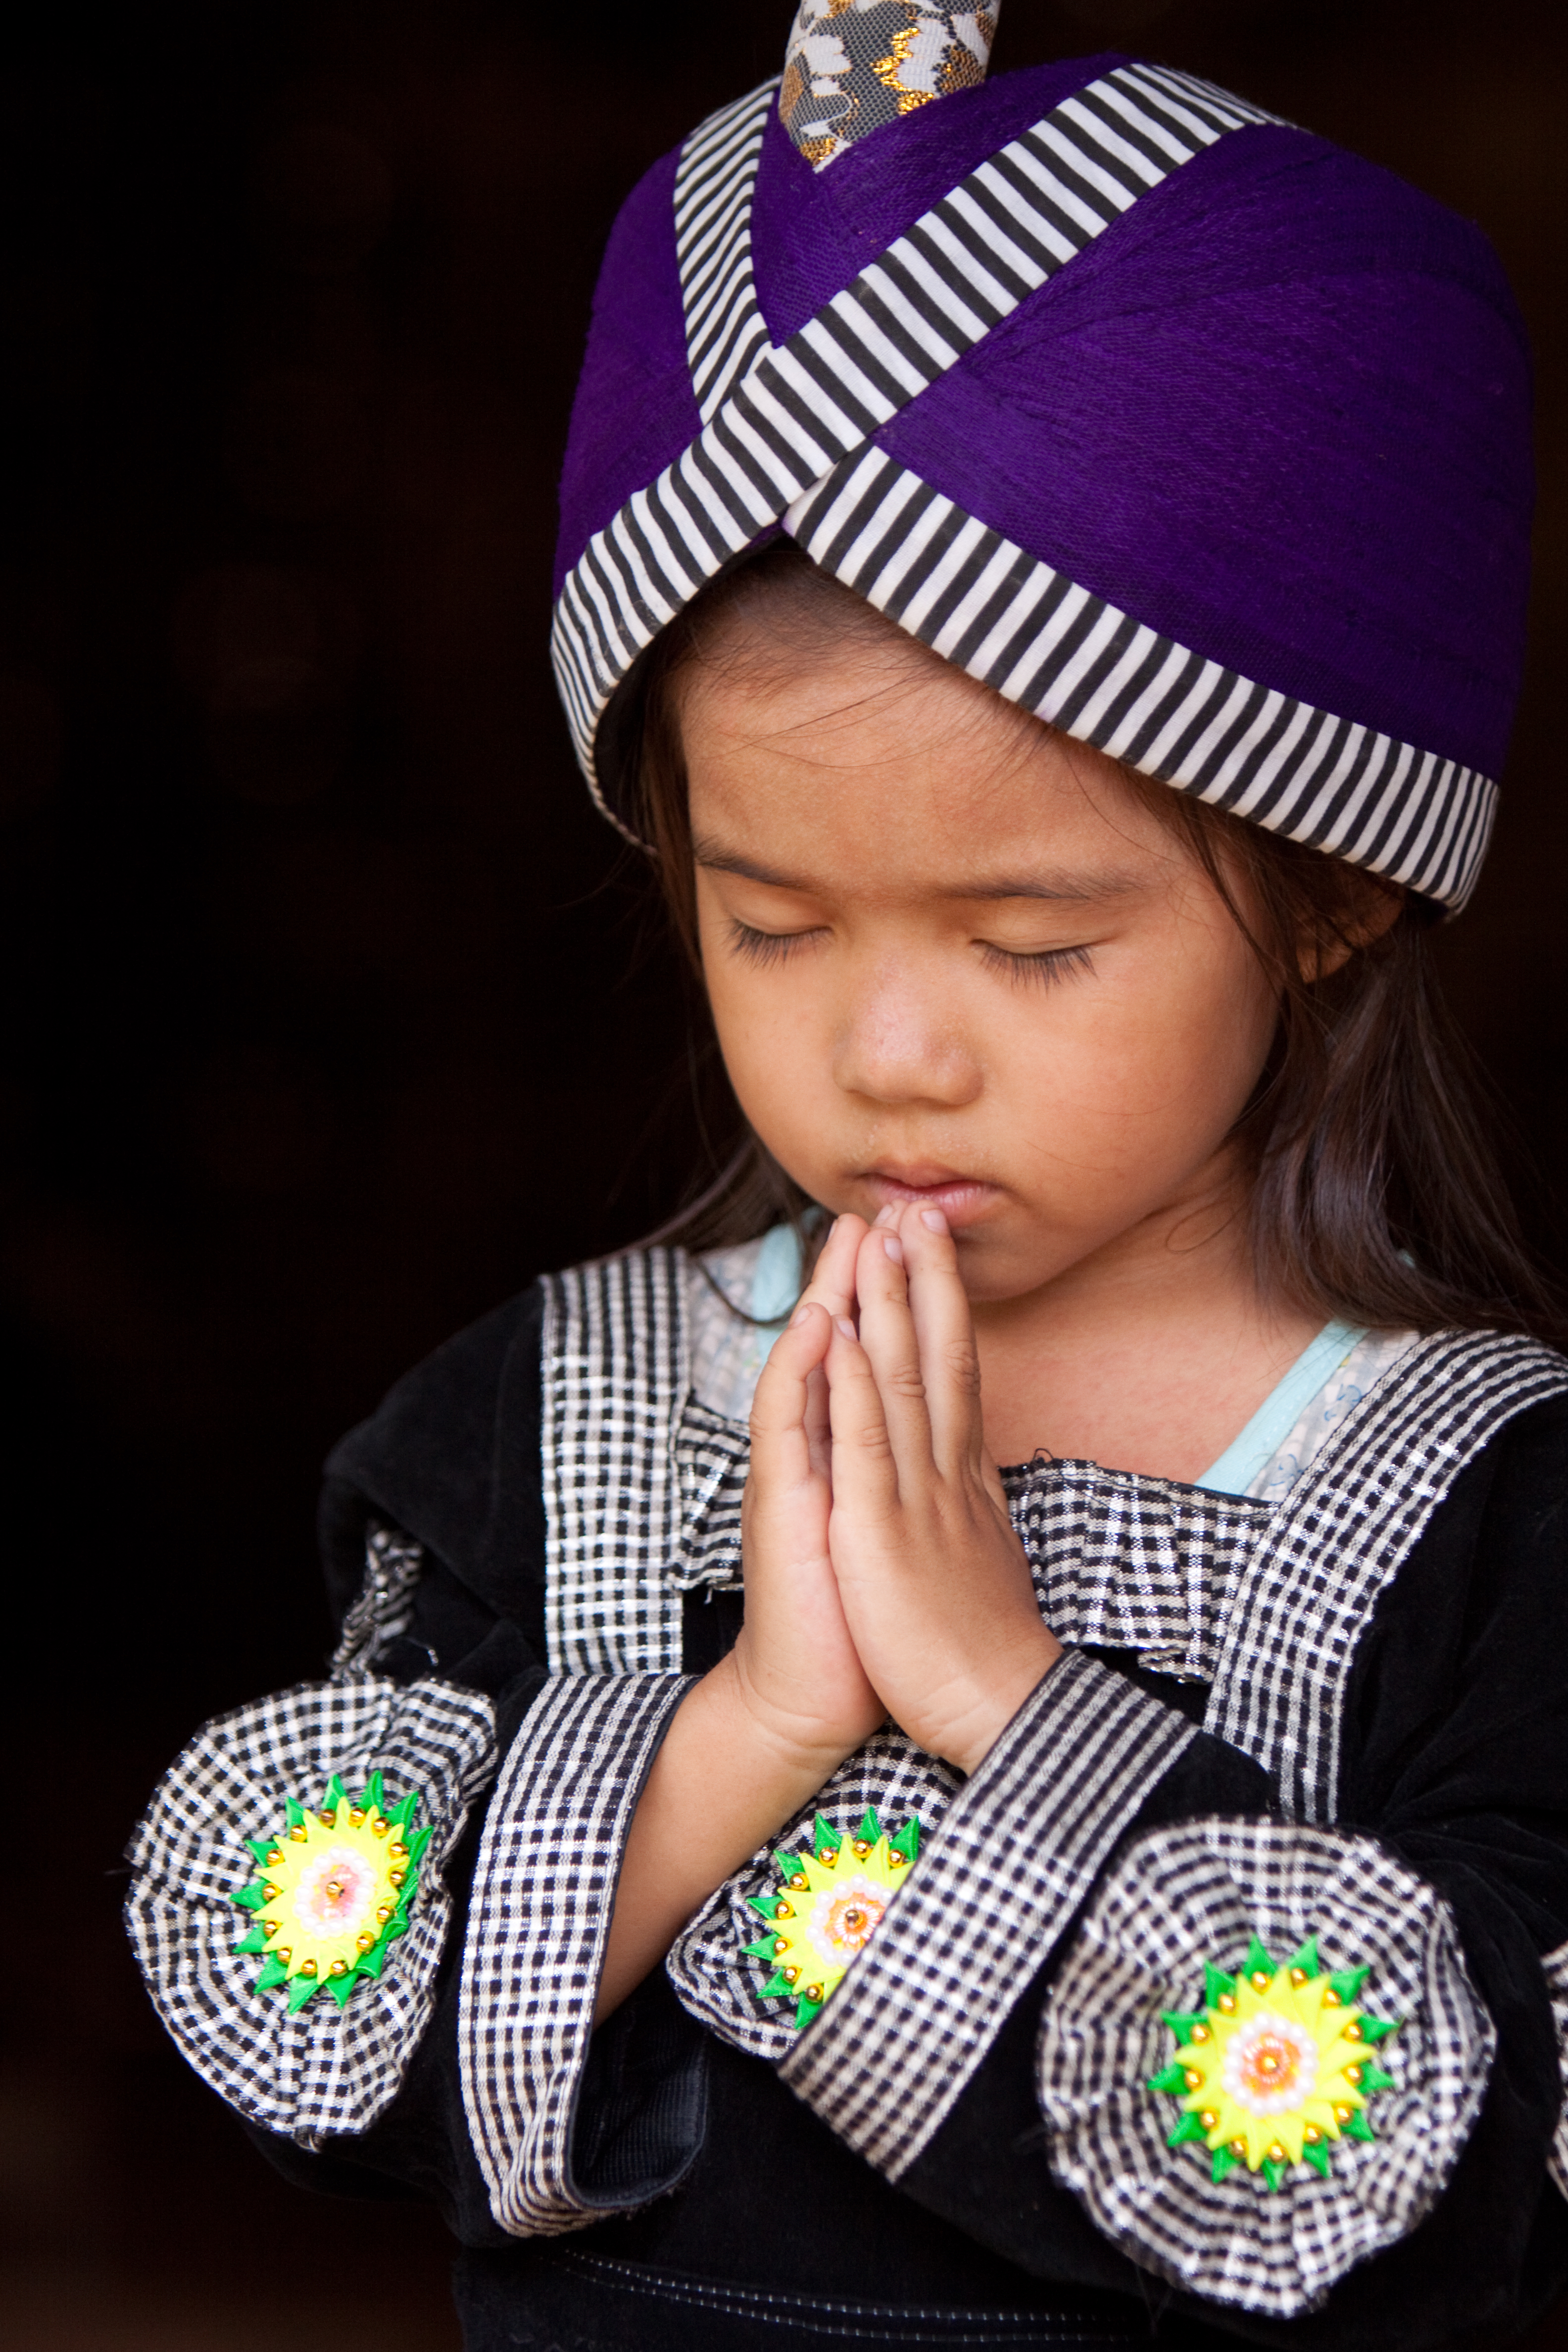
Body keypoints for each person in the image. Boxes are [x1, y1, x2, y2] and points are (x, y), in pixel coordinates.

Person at [126, 6, 1568, 2346]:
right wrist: (749, 1732)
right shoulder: (547, 1412)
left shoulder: (1482, 1517)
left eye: (1036, 944)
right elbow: (307, 2019)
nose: (886, 1049)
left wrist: (1012, 1695)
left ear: (1328, 894)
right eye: (771, 921)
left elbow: (1475, 2184)